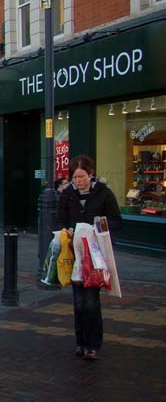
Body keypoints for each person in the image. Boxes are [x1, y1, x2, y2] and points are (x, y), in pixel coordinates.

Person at [55, 155, 122, 361]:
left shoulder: (104, 193)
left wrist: (97, 229)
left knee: (91, 301)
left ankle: (93, 345)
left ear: (90, 174)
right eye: (75, 177)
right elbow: (60, 219)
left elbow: (116, 220)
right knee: (78, 302)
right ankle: (80, 342)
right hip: (75, 255)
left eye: (82, 176)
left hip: (95, 254)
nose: (78, 181)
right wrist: (66, 230)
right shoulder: (68, 195)